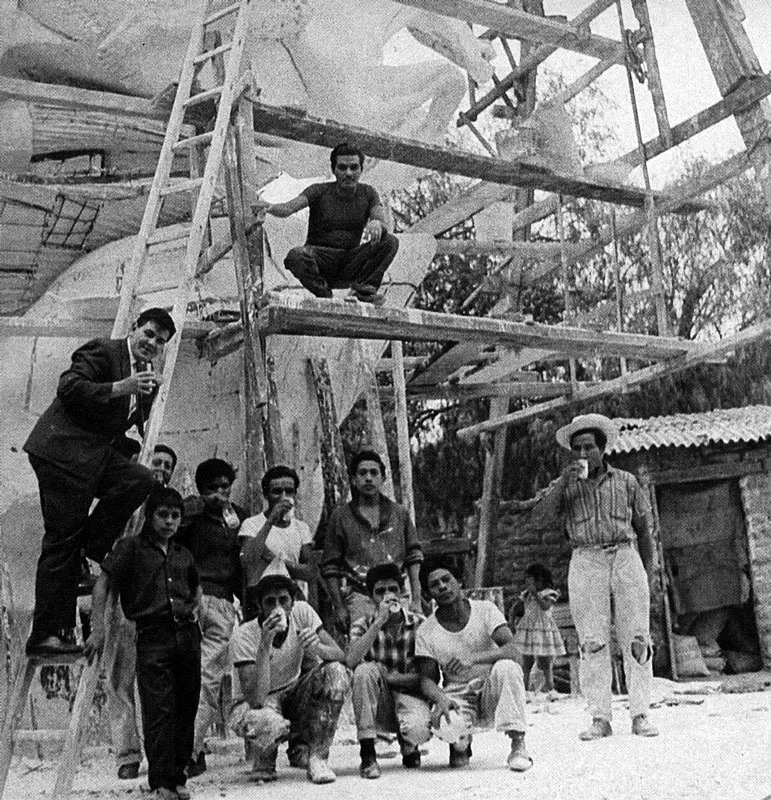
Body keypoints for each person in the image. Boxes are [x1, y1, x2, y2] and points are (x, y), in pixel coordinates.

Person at [23, 307, 175, 656]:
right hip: (61, 453)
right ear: (134, 328)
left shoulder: (144, 374)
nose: (152, 344)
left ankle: (87, 550)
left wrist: (137, 422)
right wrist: (123, 387)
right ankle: (46, 634)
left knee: (139, 479)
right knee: (62, 538)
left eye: (160, 342)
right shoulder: (105, 351)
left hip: (90, 456)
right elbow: (70, 387)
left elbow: (111, 424)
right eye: (149, 334)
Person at [527, 413, 658, 740]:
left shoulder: (627, 482)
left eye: (589, 447)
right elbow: (539, 521)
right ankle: (600, 717)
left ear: (603, 449)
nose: (583, 455)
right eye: (577, 449)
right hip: (586, 557)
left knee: (637, 636)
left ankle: (640, 713)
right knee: (591, 639)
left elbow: (644, 530)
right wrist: (561, 485)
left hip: (624, 553)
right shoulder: (565, 485)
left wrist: (648, 571)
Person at [84, 486, 201, 800]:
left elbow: (195, 589)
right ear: (150, 517)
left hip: (188, 637)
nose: (169, 522)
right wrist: (98, 630)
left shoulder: (183, 553)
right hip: (153, 636)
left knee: (186, 706)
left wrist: (194, 613)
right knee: (159, 708)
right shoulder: (131, 548)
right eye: (162, 515)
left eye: (175, 516)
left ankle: (178, 778)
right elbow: (103, 584)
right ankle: (161, 783)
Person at [228, 574, 350, 784]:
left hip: (292, 692)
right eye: (270, 602)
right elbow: (256, 698)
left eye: (283, 600)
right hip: (252, 706)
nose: (278, 607)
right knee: (265, 721)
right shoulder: (244, 635)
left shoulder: (302, 613)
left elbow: (341, 656)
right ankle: (264, 759)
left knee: (335, 672)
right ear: (260, 606)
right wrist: (265, 645)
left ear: (292, 603)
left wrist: (317, 647)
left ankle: (317, 758)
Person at [415, 564, 532, 772]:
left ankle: (518, 744)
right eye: (435, 585)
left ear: (458, 582)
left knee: (508, 668)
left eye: (446, 579)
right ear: (428, 593)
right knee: (446, 727)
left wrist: (473, 658)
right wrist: (441, 699)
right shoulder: (426, 630)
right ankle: (461, 742)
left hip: (490, 689)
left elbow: (513, 650)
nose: (442, 587)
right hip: (459, 694)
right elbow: (427, 678)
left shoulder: (485, 610)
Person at [107, 444, 178, 780]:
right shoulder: (121, 497)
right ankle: (127, 753)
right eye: (156, 462)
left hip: (158, 601)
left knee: (163, 681)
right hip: (124, 597)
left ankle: (166, 752)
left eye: (167, 465)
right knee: (120, 677)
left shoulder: (170, 510)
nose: (161, 468)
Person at [253, 142, 399, 305]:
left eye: (353, 167)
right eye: (342, 168)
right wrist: (268, 206)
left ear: (361, 169)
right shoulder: (318, 190)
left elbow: (382, 222)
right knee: (296, 256)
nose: (348, 173)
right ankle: (324, 295)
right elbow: (288, 208)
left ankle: (364, 291)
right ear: (334, 170)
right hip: (320, 262)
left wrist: (377, 223)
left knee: (390, 241)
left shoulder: (368, 192)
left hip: (350, 263)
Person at [176, 458, 246, 777]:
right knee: (181, 677)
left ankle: (188, 751)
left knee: (206, 679)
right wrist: (199, 505)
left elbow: (245, 564)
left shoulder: (239, 519)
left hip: (220, 604)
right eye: (212, 487)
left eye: (225, 486)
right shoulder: (191, 513)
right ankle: (190, 748)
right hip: (188, 601)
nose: (220, 492)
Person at [321, 450, 423, 634]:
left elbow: (413, 557)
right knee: (362, 648)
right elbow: (331, 567)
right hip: (360, 596)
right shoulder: (341, 517)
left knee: (406, 644)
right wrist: (339, 606)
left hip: (397, 593)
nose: (368, 478)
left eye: (374, 473)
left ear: (383, 478)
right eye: (362, 473)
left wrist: (416, 599)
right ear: (353, 479)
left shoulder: (399, 513)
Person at [347, 563, 431, 779]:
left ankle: (409, 742)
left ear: (401, 592)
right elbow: (351, 660)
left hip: (410, 693)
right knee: (364, 670)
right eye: (380, 591)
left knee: (418, 731)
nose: (388, 595)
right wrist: (378, 623)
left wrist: (394, 678)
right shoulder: (363, 624)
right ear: (371, 597)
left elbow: (430, 675)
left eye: (392, 589)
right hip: (380, 703)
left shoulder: (420, 624)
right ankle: (367, 752)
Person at [239, 465, 314, 614]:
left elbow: (310, 572)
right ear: (266, 494)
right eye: (277, 491)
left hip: (290, 600)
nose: (284, 496)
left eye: (289, 491)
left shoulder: (302, 528)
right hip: (261, 603)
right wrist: (270, 521)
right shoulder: (252, 525)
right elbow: (247, 560)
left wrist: (276, 560)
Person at [510, 563, 565, 697]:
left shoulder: (548, 594)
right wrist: (512, 619)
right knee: (527, 661)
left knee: (545, 661)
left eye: (531, 578)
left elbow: (545, 607)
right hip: (529, 629)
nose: (527, 581)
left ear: (540, 580)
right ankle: (525, 690)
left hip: (543, 630)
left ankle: (551, 688)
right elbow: (519, 607)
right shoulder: (527, 594)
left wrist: (535, 594)